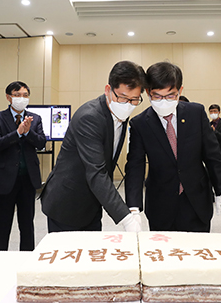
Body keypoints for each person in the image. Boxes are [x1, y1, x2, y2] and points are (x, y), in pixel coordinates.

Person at [41, 60, 146, 233]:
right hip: (67, 202)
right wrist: (126, 218)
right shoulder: (89, 117)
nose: (128, 105)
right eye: (122, 98)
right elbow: (97, 172)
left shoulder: (120, 112)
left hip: (92, 204)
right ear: (108, 90)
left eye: (134, 100)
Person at [125, 61, 221, 232]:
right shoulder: (140, 124)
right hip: (160, 203)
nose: (164, 101)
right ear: (148, 93)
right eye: (157, 96)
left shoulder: (196, 113)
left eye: (170, 95)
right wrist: (133, 207)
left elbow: (212, 155)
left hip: (196, 200)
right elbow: (135, 166)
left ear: (180, 91)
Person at [0, 81, 46, 251]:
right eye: (17, 95)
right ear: (8, 97)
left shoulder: (35, 119)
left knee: (27, 224)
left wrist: (28, 132)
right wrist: (17, 133)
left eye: (25, 95)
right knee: (2, 225)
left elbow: (41, 143)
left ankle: (26, 258)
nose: (22, 98)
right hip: (4, 179)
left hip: (28, 179)